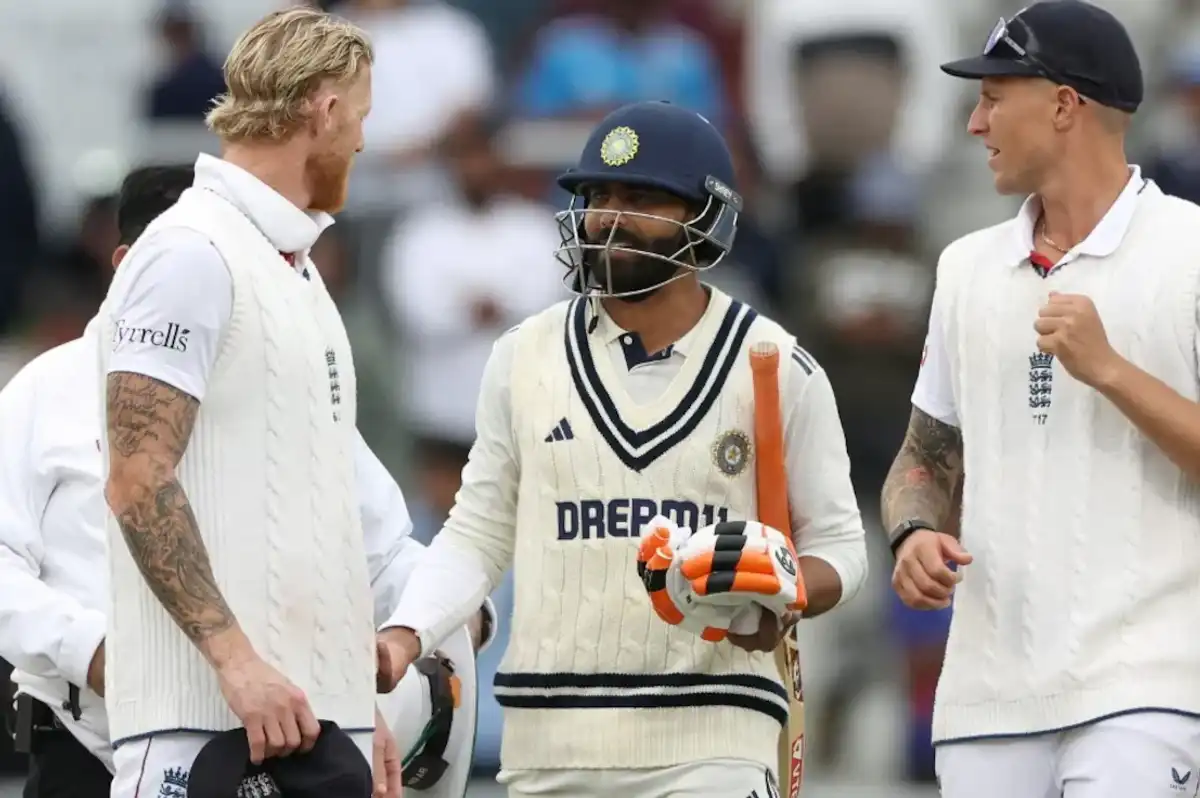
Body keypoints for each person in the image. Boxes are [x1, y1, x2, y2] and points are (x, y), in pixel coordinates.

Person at [374, 100, 869, 797]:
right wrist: (404, 634)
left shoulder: (775, 365)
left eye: (640, 198)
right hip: (547, 748)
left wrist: (786, 583)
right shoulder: (523, 356)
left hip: (712, 741)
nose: (608, 216)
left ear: (707, 218)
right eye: (596, 195)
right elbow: (477, 533)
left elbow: (843, 551)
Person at [0, 165, 491, 798]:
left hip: (267, 756)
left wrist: (443, 621)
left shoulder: (294, 392)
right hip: (84, 745)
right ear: (129, 264)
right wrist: (94, 651)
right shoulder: (44, 391)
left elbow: (389, 560)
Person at [95, 9, 448, 797]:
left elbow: (318, 516)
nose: (361, 141)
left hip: (310, 730)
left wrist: (353, 710)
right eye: (359, 117)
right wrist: (237, 661)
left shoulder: (298, 271)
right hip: (206, 732)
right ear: (324, 112)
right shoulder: (188, 253)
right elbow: (137, 477)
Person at [880, 3, 1200, 796]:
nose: (972, 123)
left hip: (1149, 689)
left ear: (1064, 105)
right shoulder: (962, 269)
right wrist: (913, 532)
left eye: (994, 97)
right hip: (986, 701)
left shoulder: (1190, 252)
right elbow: (924, 456)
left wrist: (1112, 370)